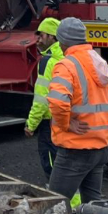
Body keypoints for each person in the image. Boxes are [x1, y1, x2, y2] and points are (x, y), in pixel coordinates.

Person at [45, 17, 108, 209]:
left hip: (76, 148)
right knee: (93, 206)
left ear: (62, 41)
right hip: (101, 148)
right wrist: (99, 120)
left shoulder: (66, 65)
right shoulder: (100, 63)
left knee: (54, 206)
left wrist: (67, 124)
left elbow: (57, 102)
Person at [25, 16, 65, 180]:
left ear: (52, 36)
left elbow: (41, 99)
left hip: (50, 122)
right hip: (67, 119)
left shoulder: (47, 62)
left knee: (51, 165)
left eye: (41, 35)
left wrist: (31, 124)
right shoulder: (68, 57)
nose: (38, 39)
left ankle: (58, 201)